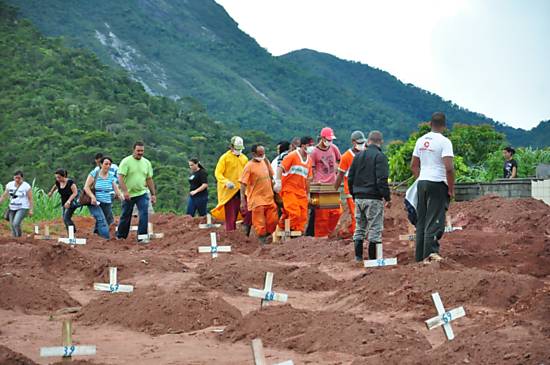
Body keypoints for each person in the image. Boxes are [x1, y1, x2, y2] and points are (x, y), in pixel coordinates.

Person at [410, 112, 455, 263]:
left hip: (422, 182)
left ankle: (419, 258)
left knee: (421, 221)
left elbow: (414, 166)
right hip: (437, 182)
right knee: (434, 221)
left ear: (430, 123)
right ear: (444, 126)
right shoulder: (445, 142)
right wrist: (450, 188)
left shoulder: (420, 141)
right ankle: (430, 257)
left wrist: (420, 180)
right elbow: (449, 168)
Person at [348, 131, 391, 262]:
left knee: (359, 228)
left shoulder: (358, 156)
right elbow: (381, 180)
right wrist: (387, 197)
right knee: (375, 229)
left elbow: (350, 178)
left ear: (368, 141)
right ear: (381, 142)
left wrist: (354, 194)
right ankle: (373, 261)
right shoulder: (380, 157)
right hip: (373, 197)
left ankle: (358, 257)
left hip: (359, 196)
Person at [116, 142, 156, 242]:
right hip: (129, 194)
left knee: (144, 213)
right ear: (133, 150)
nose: (140, 153)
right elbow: (120, 177)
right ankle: (121, 236)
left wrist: (153, 194)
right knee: (126, 215)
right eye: (138, 150)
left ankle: (141, 237)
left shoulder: (146, 163)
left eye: (142, 151)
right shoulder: (126, 161)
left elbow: (149, 179)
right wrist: (125, 191)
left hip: (142, 193)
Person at [306, 127, 343, 237]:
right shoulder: (314, 152)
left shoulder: (334, 148)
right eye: (328, 139)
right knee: (320, 216)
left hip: (332, 185)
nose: (330, 142)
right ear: (322, 138)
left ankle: (328, 232)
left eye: (331, 140)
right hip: (319, 186)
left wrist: (337, 170)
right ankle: (319, 237)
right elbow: (311, 169)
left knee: (337, 212)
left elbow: (339, 160)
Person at [211, 136, 252, 233]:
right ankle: (231, 236)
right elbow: (218, 173)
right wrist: (226, 182)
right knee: (231, 217)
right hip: (229, 192)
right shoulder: (225, 158)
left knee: (250, 211)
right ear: (231, 147)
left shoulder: (244, 158)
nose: (238, 151)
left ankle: (245, 229)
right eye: (237, 149)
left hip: (242, 190)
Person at [274, 136, 314, 233]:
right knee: (294, 213)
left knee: (303, 216)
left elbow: (308, 179)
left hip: (301, 192)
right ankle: (285, 230)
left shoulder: (309, 160)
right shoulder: (292, 156)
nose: (311, 147)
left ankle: (295, 234)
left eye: (312, 145)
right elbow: (280, 168)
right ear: (303, 145)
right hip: (288, 190)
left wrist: (308, 194)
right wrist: (278, 182)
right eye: (310, 145)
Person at [240, 144, 278, 244]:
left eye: (263, 153)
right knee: (259, 223)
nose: (262, 155)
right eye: (260, 154)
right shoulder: (248, 166)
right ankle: (262, 241)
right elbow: (243, 184)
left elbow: (271, 176)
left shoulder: (265, 161)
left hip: (269, 197)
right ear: (253, 154)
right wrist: (242, 201)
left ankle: (268, 235)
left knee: (273, 220)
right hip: (257, 200)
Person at [334, 130, 367, 237]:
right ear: (353, 142)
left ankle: (361, 233)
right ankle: (357, 235)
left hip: (365, 189)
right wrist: (334, 190)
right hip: (351, 191)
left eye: (363, 143)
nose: (362, 145)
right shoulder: (346, 157)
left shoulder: (366, 153)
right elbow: (340, 175)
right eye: (360, 143)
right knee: (355, 214)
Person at [84, 157, 121, 239]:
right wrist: (92, 197)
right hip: (95, 202)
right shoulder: (94, 173)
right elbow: (86, 187)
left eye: (109, 164)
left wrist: (122, 197)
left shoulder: (111, 176)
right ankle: (106, 238)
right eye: (106, 164)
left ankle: (96, 236)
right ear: (101, 164)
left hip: (107, 202)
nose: (108, 166)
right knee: (101, 220)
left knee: (107, 220)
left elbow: (116, 189)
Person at [0, 171, 33, 237]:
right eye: (16, 178)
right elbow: (5, 195)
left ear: (22, 178)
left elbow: (30, 198)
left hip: (22, 207)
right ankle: (14, 240)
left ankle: (19, 237)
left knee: (16, 223)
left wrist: (31, 209)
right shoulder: (10, 184)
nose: (17, 180)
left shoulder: (26, 186)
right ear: (13, 178)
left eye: (19, 178)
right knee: (12, 225)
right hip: (12, 207)